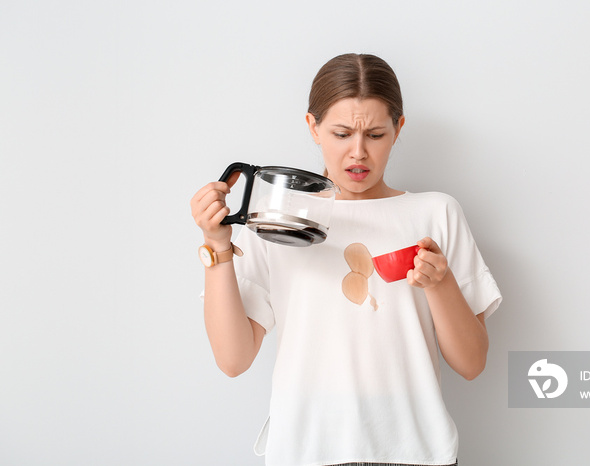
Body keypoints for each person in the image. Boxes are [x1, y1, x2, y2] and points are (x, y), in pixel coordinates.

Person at [190, 53, 502, 466]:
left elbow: (472, 363)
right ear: (313, 127)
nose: (358, 153)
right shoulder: (279, 218)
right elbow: (233, 359)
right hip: (306, 452)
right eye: (340, 134)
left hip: (417, 453)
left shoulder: (436, 214)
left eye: (375, 134)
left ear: (398, 128)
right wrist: (217, 245)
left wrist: (440, 283)